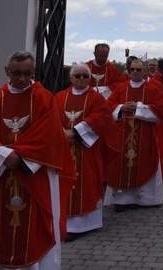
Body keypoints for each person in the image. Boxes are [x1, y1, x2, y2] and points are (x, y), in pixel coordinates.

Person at [0, 51, 76, 269]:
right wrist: (3, 154)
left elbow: (50, 136)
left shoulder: (44, 98)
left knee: (35, 229)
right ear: (6, 71)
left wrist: (20, 157)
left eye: (27, 73)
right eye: (16, 73)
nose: (22, 79)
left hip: (34, 177)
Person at [104, 58, 163, 211]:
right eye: (132, 69)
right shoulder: (121, 88)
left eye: (139, 69)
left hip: (144, 134)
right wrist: (122, 107)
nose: (135, 72)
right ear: (129, 71)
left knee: (144, 162)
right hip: (122, 134)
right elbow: (108, 107)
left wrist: (138, 107)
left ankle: (144, 199)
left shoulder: (152, 88)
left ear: (144, 71)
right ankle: (122, 200)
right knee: (121, 165)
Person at [55, 63, 114, 241]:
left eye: (84, 76)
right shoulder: (59, 97)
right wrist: (62, 133)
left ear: (89, 79)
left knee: (86, 182)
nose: (81, 79)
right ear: (70, 78)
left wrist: (75, 132)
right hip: (64, 149)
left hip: (87, 150)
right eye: (77, 76)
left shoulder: (96, 98)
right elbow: (49, 119)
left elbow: (102, 118)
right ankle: (62, 223)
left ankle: (85, 224)